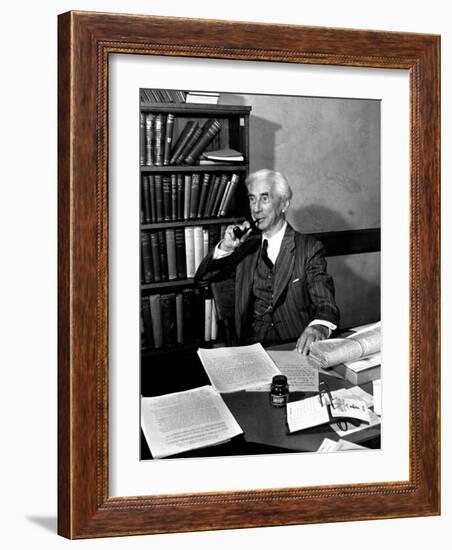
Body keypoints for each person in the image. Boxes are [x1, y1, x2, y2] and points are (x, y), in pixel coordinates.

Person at [195, 169, 340, 354]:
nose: (256, 209)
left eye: (265, 199)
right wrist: (226, 247)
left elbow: (326, 304)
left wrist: (318, 327)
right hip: (250, 349)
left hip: (294, 348)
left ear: (284, 204)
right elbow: (202, 280)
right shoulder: (244, 248)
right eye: (252, 199)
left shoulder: (309, 248)